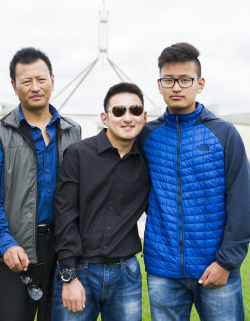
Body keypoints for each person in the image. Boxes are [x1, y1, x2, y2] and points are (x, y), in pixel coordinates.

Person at [140, 42, 250, 320]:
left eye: (185, 80)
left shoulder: (224, 134)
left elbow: (241, 203)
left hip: (215, 268)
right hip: (163, 271)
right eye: (169, 80)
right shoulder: (146, 136)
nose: (176, 87)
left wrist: (226, 262)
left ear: (199, 83)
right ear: (159, 84)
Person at [0, 47, 82, 321]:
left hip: (62, 251)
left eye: (41, 79)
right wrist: (5, 242)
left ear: (53, 80)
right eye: (26, 81)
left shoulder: (73, 131)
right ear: (14, 86)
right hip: (13, 250)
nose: (35, 87)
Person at [52, 83, 151, 321]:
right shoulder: (77, 154)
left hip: (126, 273)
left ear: (144, 117)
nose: (128, 117)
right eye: (119, 111)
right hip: (80, 271)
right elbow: (65, 215)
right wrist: (69, 276)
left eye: (135, 110)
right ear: (105, 117)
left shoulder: (149, 159)